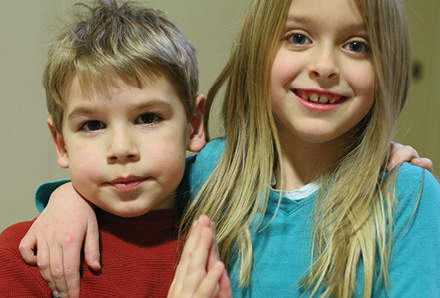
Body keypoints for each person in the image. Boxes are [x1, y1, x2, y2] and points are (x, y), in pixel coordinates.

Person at [18, 0, 439, 297]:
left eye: (356, 45)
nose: (324, 66)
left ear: (388, 62)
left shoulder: (408, 196)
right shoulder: (212, 171)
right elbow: (126, 183)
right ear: (258, 48)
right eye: (297, 37)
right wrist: (65, 198)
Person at [0, 1, 231, 297]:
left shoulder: (240, 238)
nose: (121, 149)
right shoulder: (27, 258)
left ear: (195, 126)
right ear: (61, 144)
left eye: (148, 118)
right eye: (92, 125)